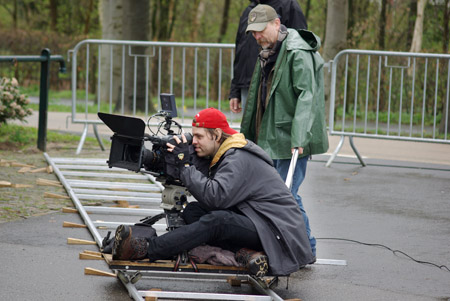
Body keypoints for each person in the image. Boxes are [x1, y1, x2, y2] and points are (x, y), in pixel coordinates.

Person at [112, 108, 315, 277]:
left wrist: (185, 166)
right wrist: (176, 156)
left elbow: (216, 197)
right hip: (258, 219)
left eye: (199, 136)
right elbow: (202, 177)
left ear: (217, 135)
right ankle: (245, 253)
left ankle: (146, 248)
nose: (194, 142)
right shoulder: (223, 151)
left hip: (276, 232)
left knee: (218, 221)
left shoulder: (238, 157)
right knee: (193, 212)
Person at [240, 4, 329, 256]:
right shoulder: (270, 50)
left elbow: (306, 96)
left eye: (260, 30)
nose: (257, 37)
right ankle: (288, 245)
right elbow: (258, 97)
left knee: (286, 196)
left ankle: (306, 248)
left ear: (277, 23)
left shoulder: (297, 51)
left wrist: (299, 136)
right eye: (253, 32)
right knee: (279, 195)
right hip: (271, 135)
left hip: (290, 138)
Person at [229, 0, 307, 114]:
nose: (257, 36)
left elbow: (300, 46)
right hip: (248, 86)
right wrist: (235, 89)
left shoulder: (289, 6)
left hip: (277, 85)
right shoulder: (249, 11)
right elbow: (240, 51)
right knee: (251, 129)